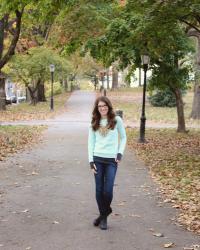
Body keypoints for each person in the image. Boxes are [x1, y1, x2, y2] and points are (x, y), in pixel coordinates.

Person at [88, 96, 127, 230]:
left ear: (108, 106)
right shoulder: (94, 121)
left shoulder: (116, 120)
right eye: (99, 106)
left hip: (111, 160)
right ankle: (104, 217)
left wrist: (119, 153)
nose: (102, 108)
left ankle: (103, 214)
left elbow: (123, 137)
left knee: (108, 190)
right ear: (97, 108)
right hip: (97, 159)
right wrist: (90, 161)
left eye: (104, 106)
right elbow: (91, 142)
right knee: (99, 190)